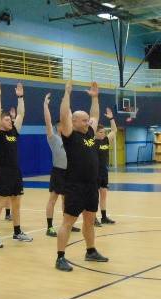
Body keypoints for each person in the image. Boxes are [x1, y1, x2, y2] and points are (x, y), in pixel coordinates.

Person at [54, 80, 109, 272]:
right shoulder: (70, 134)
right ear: (74, 121)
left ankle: (91, 250)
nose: (88, 122)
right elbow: (63, 115)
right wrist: (67, 94)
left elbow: (94, 114)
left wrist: (95, 98)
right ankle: (60, 257)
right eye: (84, 120)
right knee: (68, 221)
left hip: (91, 186)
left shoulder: (90, 134)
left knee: (89, 220)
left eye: (87, 120)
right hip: (75, 186)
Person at [0, 82, 33, 248]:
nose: (10, 122)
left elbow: (21, 114)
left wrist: (20, 97)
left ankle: (17, 232)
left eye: (9, 119)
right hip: (3, 172)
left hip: (15, 172)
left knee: (16, 203)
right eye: (7, 120)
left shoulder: (14, 131)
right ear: (0, 122)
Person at [43, 93, 79, 236]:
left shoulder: (70, 138)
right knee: (53, 198)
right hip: (58, 172)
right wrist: (45, 106)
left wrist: (66, 99)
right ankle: (50, 227)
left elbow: (69, 116)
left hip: (70, 173)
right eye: (63, 124)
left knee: (67, 199)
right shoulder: (54, 139)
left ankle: (67, 224)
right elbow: (48, 122)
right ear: (59, 127)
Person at [94, 107, 118, 226]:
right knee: (94, 197)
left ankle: (103, 217)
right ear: (95, 133)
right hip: (94, 173)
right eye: (101, 132)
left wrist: (111, 118)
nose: (103, 134)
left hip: (104, 172)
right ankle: (93, 218)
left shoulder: (106, 141)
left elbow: (114, 131)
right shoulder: (92, 142)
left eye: (104, 132)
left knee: (103, 195)